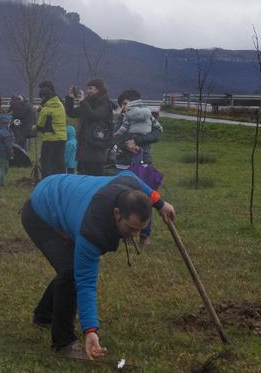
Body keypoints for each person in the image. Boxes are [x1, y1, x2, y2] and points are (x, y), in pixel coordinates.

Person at [21, 171, 176, 359]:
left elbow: (132, 177)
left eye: (140, 230)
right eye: (131, 228)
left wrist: (159, 203)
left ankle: (43, 316)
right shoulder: (92, 230)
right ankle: (63, 343)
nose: (135, 235)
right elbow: (86, 283)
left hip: (64, 195)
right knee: (71, 271)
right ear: (117, 214)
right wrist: (90, 330)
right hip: (41, 209)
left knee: (70, 266)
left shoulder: (128, 183)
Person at [114, 89, 164, 245]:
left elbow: (157, 134)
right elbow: (115, 137)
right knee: (123, 196)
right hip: (123, 162)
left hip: (143, 162)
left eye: (125, 104)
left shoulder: (147, 117)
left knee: (146, 196)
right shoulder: (121, 118)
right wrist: (126, 144)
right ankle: (125, 231)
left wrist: (137, 140)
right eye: (121, 105)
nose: (123, 108)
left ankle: (145, 234)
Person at [65, 78, 114, 176]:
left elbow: (94, 116)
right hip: (84, 145)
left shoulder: (104, 104)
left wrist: (83, 102)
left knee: (95, 174)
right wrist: (70, 98)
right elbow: (72, 113)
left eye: (91, 88)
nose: (88, 91)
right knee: (83, 173)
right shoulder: (87, 102)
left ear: (98, 89)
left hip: (96, 145)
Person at [35, 82, 67, 177]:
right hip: (62, 137)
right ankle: (61, 180)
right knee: (60, 161)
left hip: (50, 138)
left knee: (46, 162)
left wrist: (33, 128)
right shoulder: (60, 104)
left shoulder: (46, 108)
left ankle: (47, 181)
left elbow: (41, 125)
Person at [0, 113, 15, 187]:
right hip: (4, 152)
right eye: (9, 122)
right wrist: (11, 154)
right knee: (4, 168)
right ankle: (1, 183)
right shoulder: (6, 132)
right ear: (6, 123)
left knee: (0, 167)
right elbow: (8, 144)